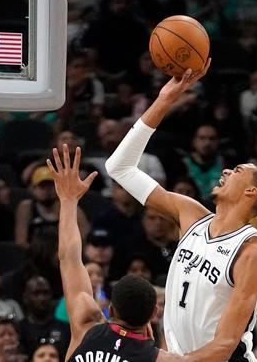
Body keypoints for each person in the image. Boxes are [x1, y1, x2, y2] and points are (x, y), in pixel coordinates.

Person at [105, 64, 257, 361]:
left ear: (251, 192)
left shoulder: (251, 252)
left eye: (238, 170)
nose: (227, 169)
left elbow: (225, 345)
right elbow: (119, 168)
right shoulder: (191, 215)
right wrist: (165, 99)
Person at [47, 143, 172, 362]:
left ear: (111, 311)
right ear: (154, 313)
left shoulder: (86, 328)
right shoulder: (160, 358)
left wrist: (68, 201)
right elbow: (220, 348)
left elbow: (69, 258)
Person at [15, 166, 89, 246]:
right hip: (35, 254)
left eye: (51, 186)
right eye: (42, 187)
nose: (47, 191)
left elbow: (85, 238)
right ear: (33, 189)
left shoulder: (71, 208)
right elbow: (21, 243)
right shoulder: (27, 207)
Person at [19, 275, 70, 358]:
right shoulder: (19, 330)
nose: (41, 298)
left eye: (45, 293)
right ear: (25, 298)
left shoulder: (66, 329)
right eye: (36, 293)